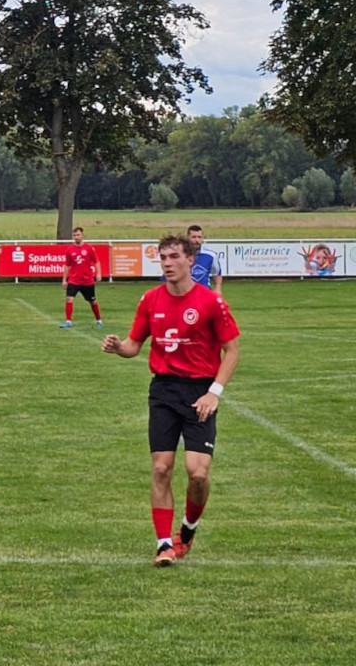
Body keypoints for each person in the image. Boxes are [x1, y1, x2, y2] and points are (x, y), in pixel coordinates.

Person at [102, 233, 240, 567]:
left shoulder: (211, 302)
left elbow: (232, 350)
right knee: (161, 467)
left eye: (173, 257)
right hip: (163, 391)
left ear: (190, 260)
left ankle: (187, 531)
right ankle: (164, 544)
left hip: (199, 393)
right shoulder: (150, 300)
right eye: (162, 257)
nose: (167, 263)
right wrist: (118, 347)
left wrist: (214, 393)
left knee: (198, 474)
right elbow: (135, 345)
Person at [60, 226, 102, 328]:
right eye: (74, 235)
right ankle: (68, 321)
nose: (76, 237)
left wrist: (98, 273)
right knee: (69, 299)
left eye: (78, 235)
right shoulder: (70, 249)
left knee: (92, 301)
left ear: (82, 235)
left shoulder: (89, 249)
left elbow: (96, 262)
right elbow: (67, 265)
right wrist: (64, 279)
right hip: (74, 280)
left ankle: (99, 320)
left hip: (87, 281)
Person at [187, 225, 223, 294]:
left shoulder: (210, 255)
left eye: (199, 237)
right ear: (187, 238)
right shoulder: (180, 255)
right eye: (193, 237)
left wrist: (218, 288)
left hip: (204, 294)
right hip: (185, 294)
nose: (196, 240)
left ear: (202, 238)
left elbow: (217, 273)